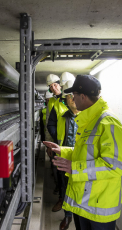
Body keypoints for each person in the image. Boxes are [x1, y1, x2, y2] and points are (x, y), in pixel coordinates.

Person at [44, 75, 122, 230]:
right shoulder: (89, 121)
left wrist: (75, 168)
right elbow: (85, 153)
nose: (72, 100)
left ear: (82, 96)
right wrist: (62, 150)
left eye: (74, 96)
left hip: (99, 208)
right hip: (85, 203)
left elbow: (115, 165)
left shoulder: (108, 123)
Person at [47, 72, 76, 212]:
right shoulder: (56, 103)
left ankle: (72, 209)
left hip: (76, 148)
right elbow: (50, 123)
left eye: (56, 84)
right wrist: (54, 138)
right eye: (50, 86)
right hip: (62, 146)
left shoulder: (83, 108)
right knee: (62, 176)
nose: (54, 88)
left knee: (75, 179)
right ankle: (64, 206)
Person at [57, 80, 80, 230]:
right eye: (68, 97)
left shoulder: (88, 117)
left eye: (71, 96)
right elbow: (60, 136)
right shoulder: (64, 117)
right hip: (66, 156)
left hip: (80, 159)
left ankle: (77, 215)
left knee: (79, 189)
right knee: (66, 188)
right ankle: (67, 216)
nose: (69, 99)